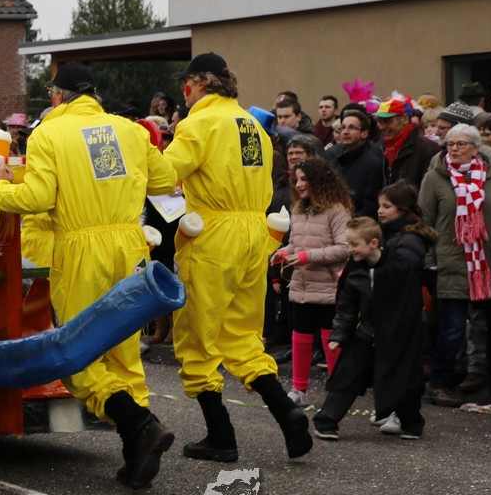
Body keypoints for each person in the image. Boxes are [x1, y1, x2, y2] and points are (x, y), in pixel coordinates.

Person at [0, 62, 178, 489]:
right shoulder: (129, 130)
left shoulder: (49, 133)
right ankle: (137, 450)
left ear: (58, 96)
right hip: (130, 245)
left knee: (76, 353)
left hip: (81, 248)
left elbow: (37, 197)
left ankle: (138, 423)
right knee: (124, 351)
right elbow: (166, 179)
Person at [164, 53, 313, 463]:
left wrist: (145, 149)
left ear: (200, 83)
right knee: (242, 335)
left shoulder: (199, 122)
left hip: (213, 237)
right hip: (253, 234)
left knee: (197, 335)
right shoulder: (252, 125)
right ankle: (286, 413)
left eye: (186, 83)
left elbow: (164, 174)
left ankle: (221, 435)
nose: (183, 92)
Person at [312, 208, 433, 440]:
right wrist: (338, 335)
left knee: (401, 381)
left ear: (373, 243)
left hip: (396, 336)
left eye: (355, 244)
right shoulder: (354, 271)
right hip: (366, 333)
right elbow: (346, 307)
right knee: (347, 375)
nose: (350, 249)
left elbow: (409, 302)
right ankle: (326, 421)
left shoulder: (399, 266)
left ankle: (411, 422)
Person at [419, 122, 491, 405]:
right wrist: (430, 263)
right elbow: (424, 223)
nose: (454, 149)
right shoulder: (435, 177)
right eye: (450, 144)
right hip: (452, 262)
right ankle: (441, 383)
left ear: (476, 148)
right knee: (453, 329)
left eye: (461, 144)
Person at [272, 158, 352, 406]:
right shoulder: (297, 209)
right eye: (296, 179)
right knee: (300, 337)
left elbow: (345, 248)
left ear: (319, 180)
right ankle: (299, 389)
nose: (299, 184)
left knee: (331, 340)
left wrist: (307, 257)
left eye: (304, 179)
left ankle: (336, 391)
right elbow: (295, 244)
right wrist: (283, 252)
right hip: (301, 284)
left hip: (328, 285)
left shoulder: (337, 210)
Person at [373, 97, 440, 193]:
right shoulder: (380, 148)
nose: (381, 127)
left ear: (405, 119)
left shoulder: (427, 149)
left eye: (387, 121)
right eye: (379, 121)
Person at [327, 108, 384, 217]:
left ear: (364, 134)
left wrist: (348, 221)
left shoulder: (372, 164)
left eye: (352, 128)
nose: (345, 132)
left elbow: (370, 206)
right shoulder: (334, 158)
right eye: (343, 128)